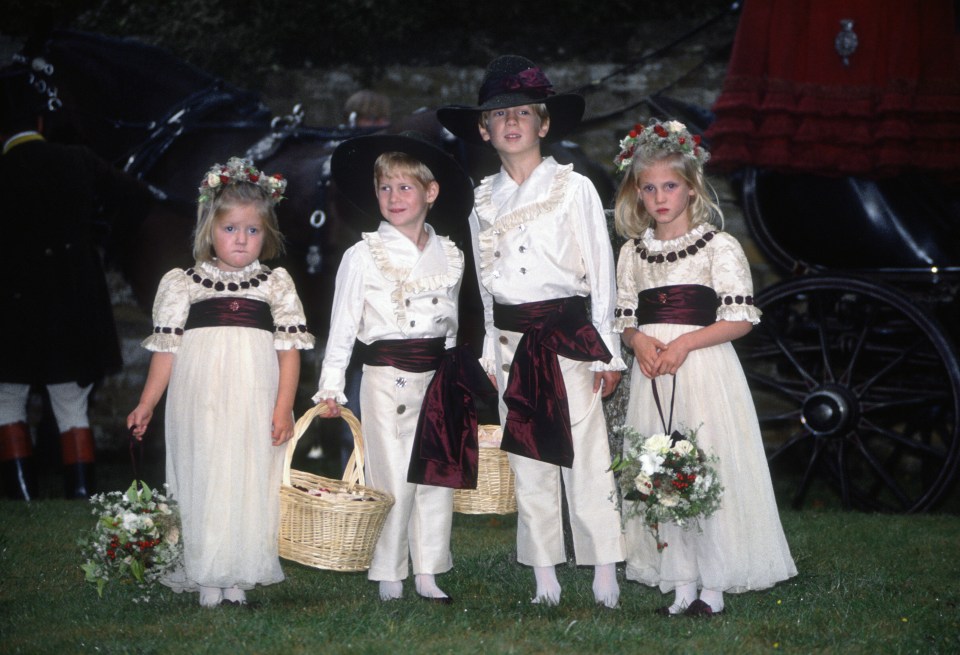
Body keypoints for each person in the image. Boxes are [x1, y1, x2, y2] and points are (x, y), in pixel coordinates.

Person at [437, 55, 626, 608]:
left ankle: (603, 569)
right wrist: (493, 353)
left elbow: (603, 273)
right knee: (530, 460)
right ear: (483, 129)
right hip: (513, 346)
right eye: (499, 115)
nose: (511, 122)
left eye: (523, 112)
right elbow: (486, 286)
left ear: (543, 124)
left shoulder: (574, 189)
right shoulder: (480, 201)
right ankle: (545, 571)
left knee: (585, 456)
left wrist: (607, 353)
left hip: (569, 340)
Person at [611, 118, 797, 617]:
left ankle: (714, 584)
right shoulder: (633, 253)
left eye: (669, 186)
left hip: (703, 369)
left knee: (707, 466)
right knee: (661, 469)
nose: (659, 197)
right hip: (652, 373)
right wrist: (638, 340)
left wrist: (686, 343)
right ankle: (681, 579)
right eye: (648, 188)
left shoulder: (719, 246)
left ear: (691, 188)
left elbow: (739, 318)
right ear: (637, 193)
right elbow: (624, 316)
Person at [126, 157, 314, 608]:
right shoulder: (184, 284)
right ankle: (207, 571)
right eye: (231, 229)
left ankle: (240, 571)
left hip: (255, 396)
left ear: (266, 236)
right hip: (201, 396)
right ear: (210, 229)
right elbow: (166, 354)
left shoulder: (275, 285)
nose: (241, 239)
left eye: (252, 231)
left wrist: (284, 406)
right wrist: (147, 403)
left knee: (250, 476)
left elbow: (289, 354)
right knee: (205, 472)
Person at [314, 131, 478, 604]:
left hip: (436, 376)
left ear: (431, 193)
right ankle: (389, 572)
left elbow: (449, 320)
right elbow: (342, 327)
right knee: (393, 476)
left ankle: (428, 570)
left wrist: (457, 368)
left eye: (405, 187)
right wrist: (331, 387)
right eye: (385, 188)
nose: (393, 197)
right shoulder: (363, 255)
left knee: (435, 473)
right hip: (387, 377)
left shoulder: (450, 254)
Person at [0, 70, 152, 500]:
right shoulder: (78, 161)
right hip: (71, 305)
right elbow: (139, 198)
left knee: (6, 401)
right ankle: (80, 491)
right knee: (71, 404)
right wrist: (96, 237)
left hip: (11, 310)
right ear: (41, 123)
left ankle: (20, 491)